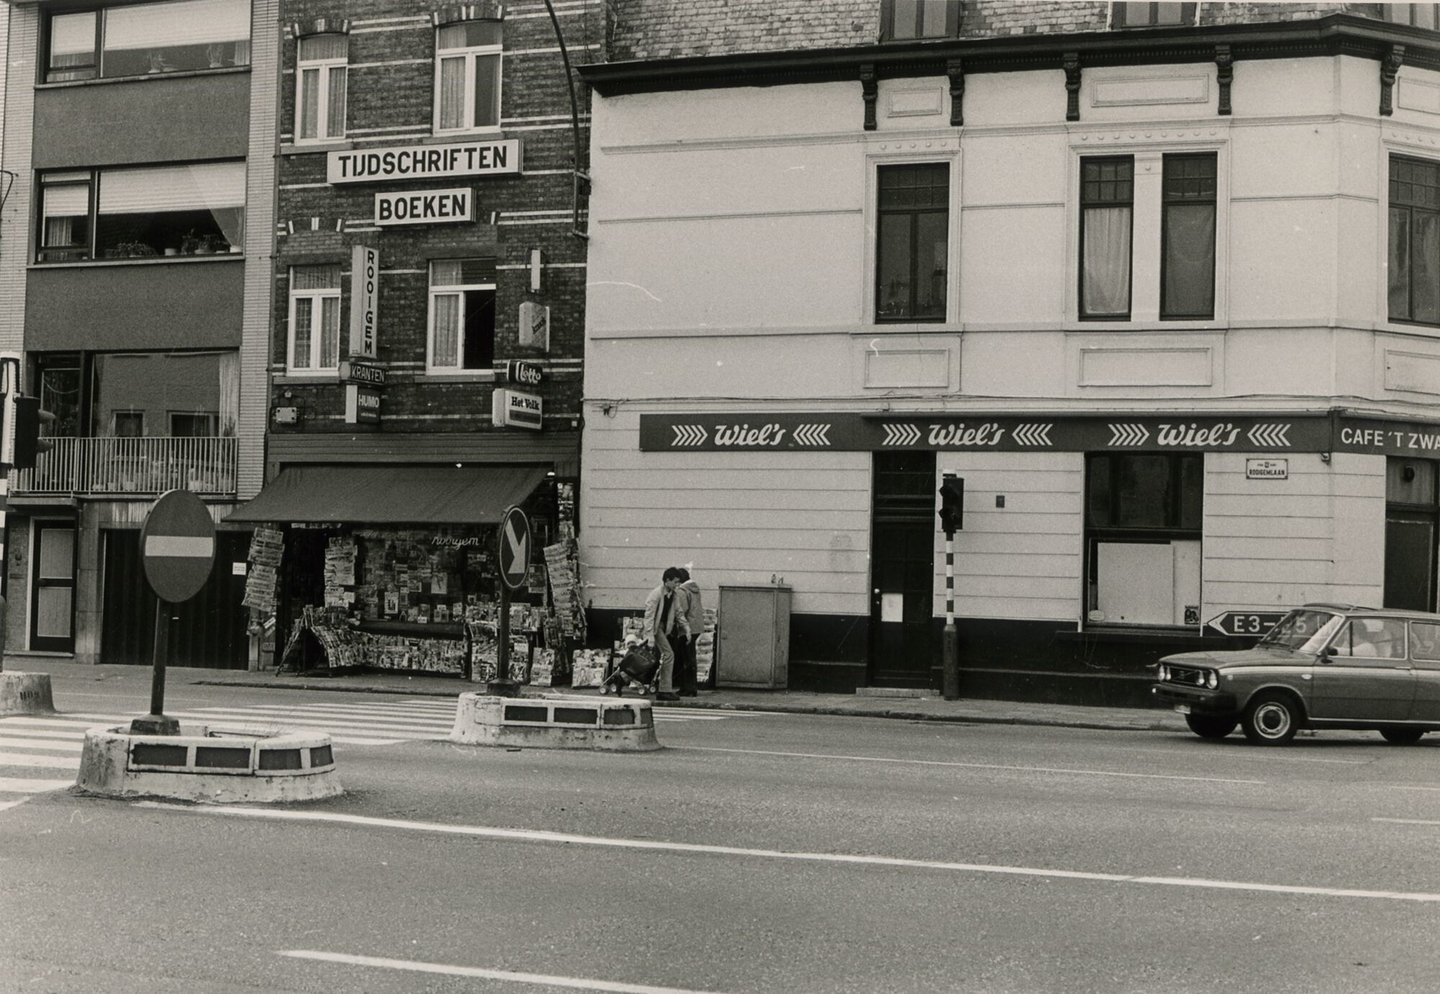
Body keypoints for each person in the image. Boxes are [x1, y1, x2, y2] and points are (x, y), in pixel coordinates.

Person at [642, 567, 687, 701]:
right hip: (656, 629)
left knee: (648, 657)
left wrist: (687, 628)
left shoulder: (673, 595)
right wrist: (649, 635)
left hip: (662, 629)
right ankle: (664, 690)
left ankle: (622, 677)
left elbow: (679, 612)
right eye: (675, 582)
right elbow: (649, 615)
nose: (677, 585)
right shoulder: (656, 594)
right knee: (669, 654)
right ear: (667, 580)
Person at [673, 567, 703, 697]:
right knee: (690, 657)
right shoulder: (695, 589)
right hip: (696, 626)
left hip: (687, 629)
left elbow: (681, 610)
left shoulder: (682, 591)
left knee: (685, 658)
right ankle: (691, 687)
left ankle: (688, 688)